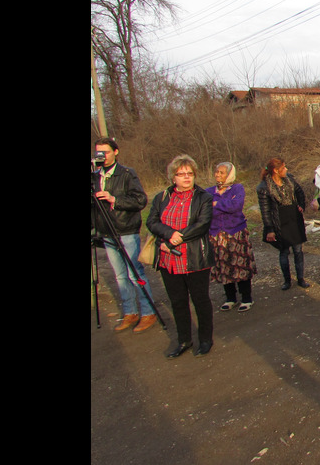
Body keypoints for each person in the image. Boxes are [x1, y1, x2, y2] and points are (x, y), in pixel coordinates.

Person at [145, 155, 215, 358]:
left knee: (200, 300)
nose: (186, 178)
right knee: (177, 301)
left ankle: (205, 339)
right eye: (181, 174)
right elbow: (151, 221)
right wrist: (169, 235)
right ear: (172, 177)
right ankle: (184, 339)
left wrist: (175, 239)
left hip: (194, 257)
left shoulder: (203, 197)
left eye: (190, 174)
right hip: (169, 259)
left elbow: (202, 225)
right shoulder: (162, 197)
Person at [91, 137, 157, 333]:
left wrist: (114, 199)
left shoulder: (127, 174)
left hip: (126, 229)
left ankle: (148, 312)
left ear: (116, 152)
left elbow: (140, 200)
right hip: (106, 231)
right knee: (120, 276)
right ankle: (130, 312)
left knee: (134, 273)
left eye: (106, 153)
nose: (102, 157)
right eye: (98, 153)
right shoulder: (95, 176)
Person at [206, 162, 258, 312]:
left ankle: (246, 297)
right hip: (216, 234)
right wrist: (222, 204)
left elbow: (236, 206)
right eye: (217, 172)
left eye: (222, 172)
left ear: (229, 174)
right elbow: (207, 210)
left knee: (240, 264)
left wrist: (215, 204)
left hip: (235, 233)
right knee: (223, 266)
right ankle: (230, 297)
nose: (218, 175)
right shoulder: (208, 192)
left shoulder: (237, 188)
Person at [256, 157, 309, 290]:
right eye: (283, 168)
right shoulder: (264, 187)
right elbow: (265, 210)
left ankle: (301, 278)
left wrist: (301, 205)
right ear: (276, 170)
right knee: (284, 251)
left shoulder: (289, 179)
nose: (286, 170)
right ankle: (287, 280)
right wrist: (269, 229)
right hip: (279, 220)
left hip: (293, 217)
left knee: (298, 250)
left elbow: (299, 191)